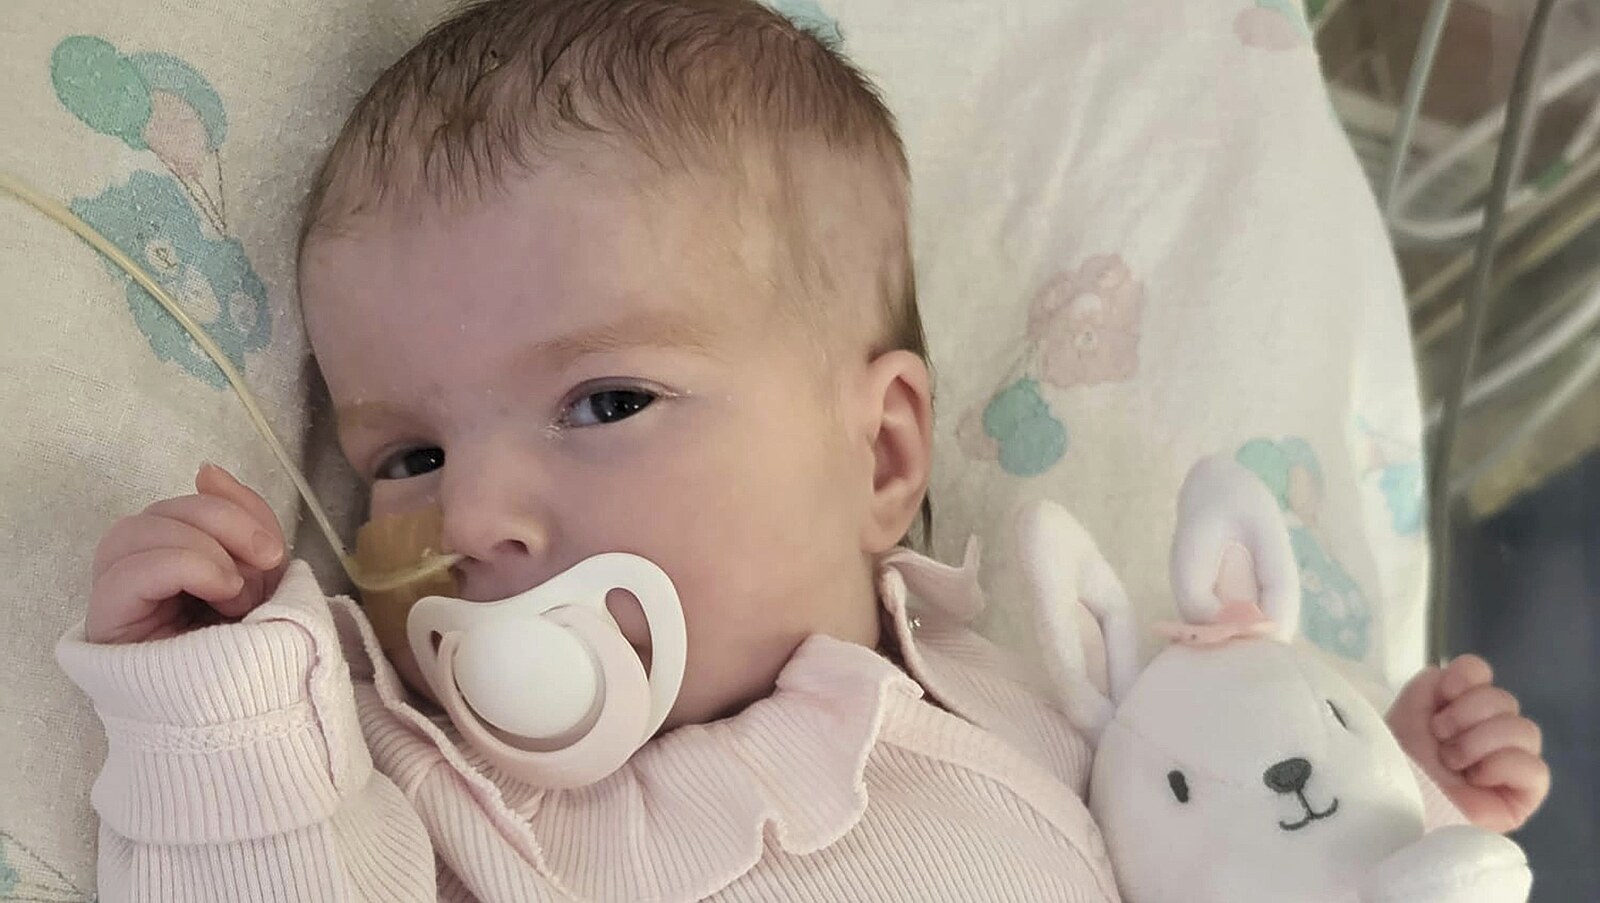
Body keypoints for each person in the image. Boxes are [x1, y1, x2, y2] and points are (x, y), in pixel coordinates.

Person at [57, 0, 1549, 899]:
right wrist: (218, 725)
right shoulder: (445, 791)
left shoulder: (1017, 692)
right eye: (404, 459)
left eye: (607, 403)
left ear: (884, 453)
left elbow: (1210, 850)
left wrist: (1389, 808)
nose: (475, 516)